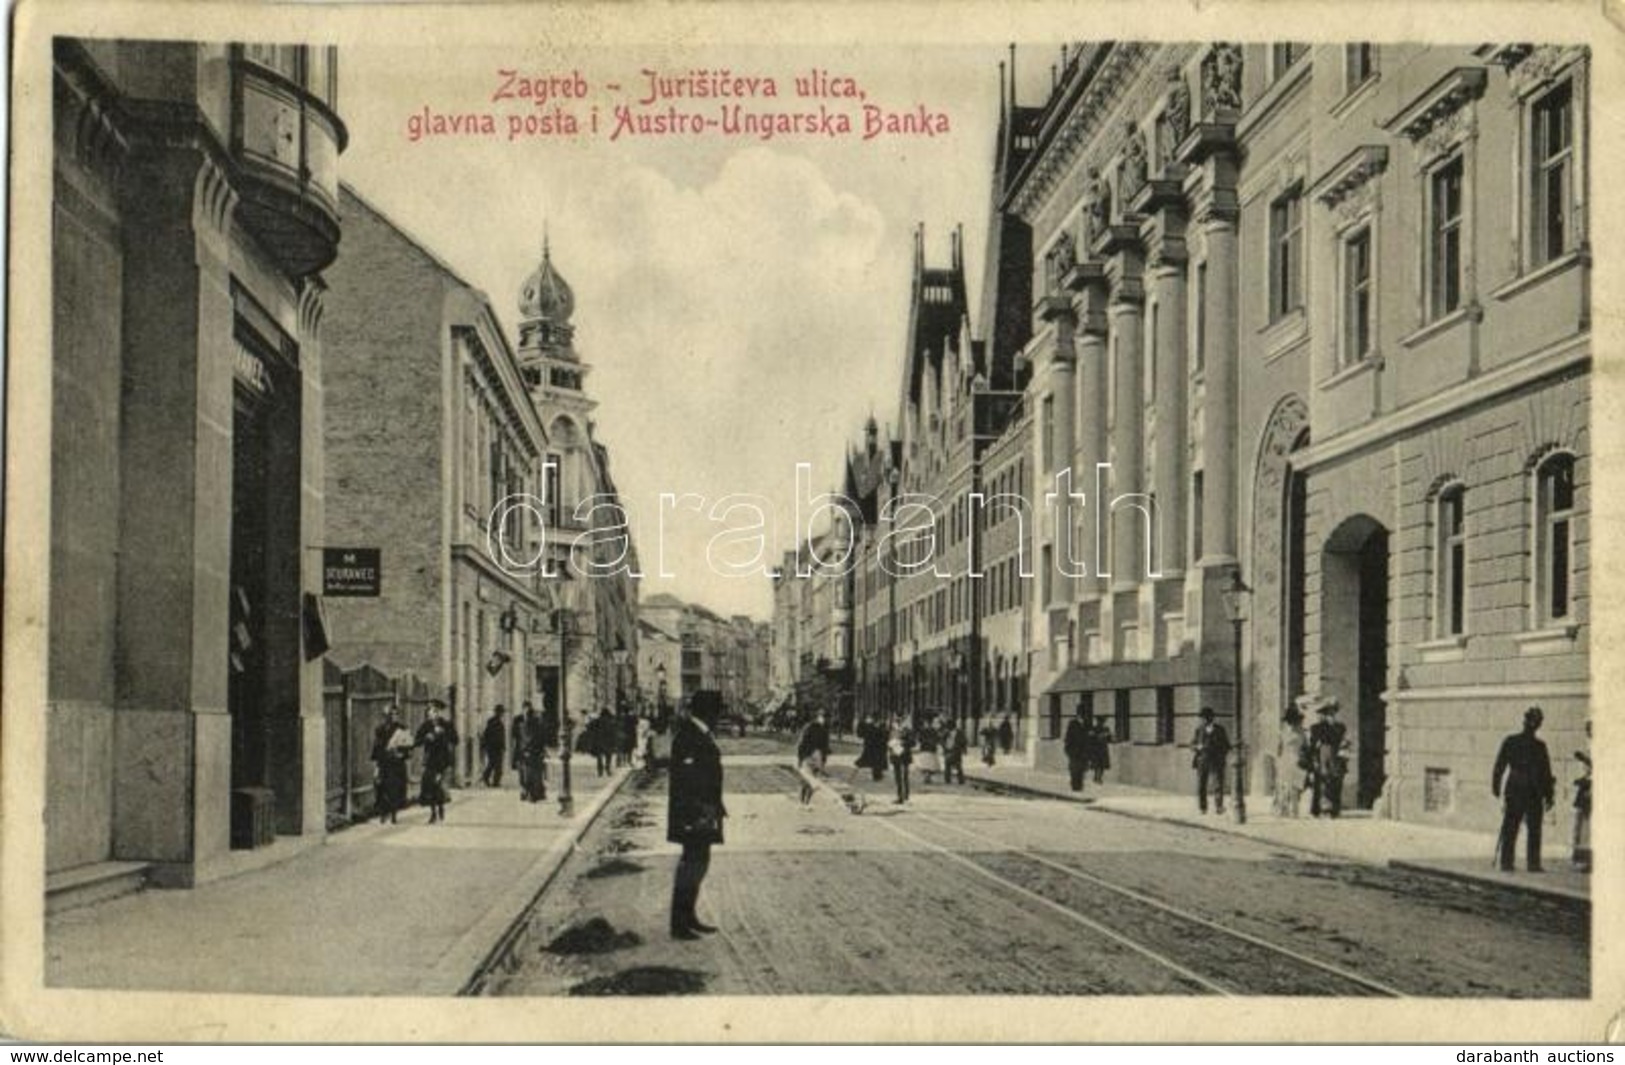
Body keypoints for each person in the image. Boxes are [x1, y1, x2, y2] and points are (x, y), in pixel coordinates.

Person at [668, 697, 726, 940]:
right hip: (693, 811)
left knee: (698, 863)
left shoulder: (698, 733)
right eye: (717, 713)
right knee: (691, 865)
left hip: (703, 810)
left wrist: (716, 805)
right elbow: (689, 777)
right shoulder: (689, 735)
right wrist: (700, 809)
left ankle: (688, 916)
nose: (719, 718)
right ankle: (679, 923)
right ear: (708, 713)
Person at [1492, 706, 1555, 873]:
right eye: (1533, 721)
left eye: (1536, 722)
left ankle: (1525, 863)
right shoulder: (1516, 742)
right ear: (1526, 722)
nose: (1533, 725)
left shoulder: (1535, 745)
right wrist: (1496, 786)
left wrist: (1549, 795)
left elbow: (1546, 772)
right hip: (1522, 789)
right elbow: (1500, 765)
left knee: (1528, 827)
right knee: (1515, 826)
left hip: (1525, 789)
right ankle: (1514, 863)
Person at [415, 700, 458, 823]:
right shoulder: (426, 726)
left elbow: (455, 740)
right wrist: (426, 737)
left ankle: (440, 807)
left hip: (443, 759)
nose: (432, 713)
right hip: (430, 759)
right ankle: (433, 812)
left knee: (438, 785)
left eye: (435, 711)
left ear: (439, 712)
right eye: (430, 711)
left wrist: (444, 734)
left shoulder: (446, 724)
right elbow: (417, 740)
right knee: (430, 785)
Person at [1307, 698, 1349, 818]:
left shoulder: (1340, 727)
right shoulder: (1316, 728)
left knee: (1336, 782)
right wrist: (1314, 760)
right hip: (1322, 757)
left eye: (1333, 712)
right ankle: (1318, 809)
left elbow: (1344, 741)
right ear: (1323, 715)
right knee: (1321, 783)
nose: (1331, 715)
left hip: (1337, 757)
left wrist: (1344, 753)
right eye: (1328, 713)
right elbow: (1313, 745)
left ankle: (1334, 809)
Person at [371, 705, 411, 824]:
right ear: (386, 716)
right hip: (384, 763)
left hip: (397, 763)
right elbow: (377, 748)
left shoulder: (402, 728)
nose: (394, 717)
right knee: (382, 788)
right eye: (391, 714)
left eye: (396, 714)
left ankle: (394, 814)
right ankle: (383, 814)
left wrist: (403, 754)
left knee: (395, 789)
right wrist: (376, 766)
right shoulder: (380, 729)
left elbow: (407, 746)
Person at [1190, 706, 1231, 815]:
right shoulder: (1199, 730)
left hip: (1216, 761)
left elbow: (1227, 746)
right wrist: (1197, 747)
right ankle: (1203, 807)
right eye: (1203, 718)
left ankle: (1219, 806)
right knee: (1201, 785)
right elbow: (1192, 744)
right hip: (1203, 760)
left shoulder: (1220, 730)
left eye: (1206, 717)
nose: (1204, 720)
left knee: (1218, 784)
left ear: (1211, 718)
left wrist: (1220, 755)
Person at [1274, 703, 1311, 818]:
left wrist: (1278, 761)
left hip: (1290, 760)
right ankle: (1292, 810)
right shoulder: (1300, 733)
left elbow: (1278, 749)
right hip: (1293, 760)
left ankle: (1285, 809)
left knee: (1288, 786)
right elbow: (1306, 746)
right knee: (1292, 787)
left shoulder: (1284, 732)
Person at [796, 710, 831, 805]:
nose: (825, 720)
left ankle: (806, 802)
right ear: (818, 717)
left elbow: (825, 747)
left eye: (827, 718)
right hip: (807, 756)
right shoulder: (809, 727)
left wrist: (823, 761)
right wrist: (800, 758)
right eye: (823, 717)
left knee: (813, 781)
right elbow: (801, 743)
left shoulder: (825, 730)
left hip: (817, 757)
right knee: (805, 780)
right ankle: (801, 801)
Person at [520, 702, 549, 802]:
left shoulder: (524, 725)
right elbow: (542, 738)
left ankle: (530, 794)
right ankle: (534, 794)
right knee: (536, 774)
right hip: (535, 752)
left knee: (528, 774)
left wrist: (525, 750)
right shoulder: (538, 725)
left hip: (529, 752)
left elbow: (525, 739)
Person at [1573, 720, 1592, 872]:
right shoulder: (1589, 746)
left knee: (1588, 824)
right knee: (1580, 821)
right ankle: (1579, 857)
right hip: (1585, 787)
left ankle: (1587, 860)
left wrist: (1586, 760)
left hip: (1593, 787)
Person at [887, 715, 915, 805]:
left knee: (904, 777)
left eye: (899, 721)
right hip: (895, 756)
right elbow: (889, 742)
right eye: (896, 721)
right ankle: (899, 797)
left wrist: (902, 742)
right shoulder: (892, 731)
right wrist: (890, 746)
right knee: (897, 778)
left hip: (904, 757)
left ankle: (906, 797)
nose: (896, 723)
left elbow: (913, 742)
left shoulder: (907, 731)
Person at [1063, 705, 1092, 793]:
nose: (1083, 715)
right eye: (1082, 713)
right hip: (1074, 753)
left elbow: (1088, 738)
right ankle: (1075, 787)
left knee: (1082, 770)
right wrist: (1069, 751)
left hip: (1083, 753)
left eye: (1084, 713)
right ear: (1078, 713)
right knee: (1075, 771)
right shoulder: (1072, 723)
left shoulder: (1087, 724)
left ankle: (1079, 787)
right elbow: (1068, 738)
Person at [854, 715, 888, 783]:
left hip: (878, 747)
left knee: (877, 761)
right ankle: (877, 775)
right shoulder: (871, 727)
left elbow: (884, 736)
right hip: (875, 747)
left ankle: (877, 775)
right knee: (876, 761)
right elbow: (864, 735)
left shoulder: (876, 726)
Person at [480, 705, 507, 787]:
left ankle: (492, 780)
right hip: (494, 747)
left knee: (494, 764)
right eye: (501, 712)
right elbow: (490, 734)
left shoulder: (495, 722)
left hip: (494, 747)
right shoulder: (495, 722)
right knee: (495, 764)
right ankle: (490, 779)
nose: (502, 714)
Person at [915, 716, 942, 785]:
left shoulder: (923, 731)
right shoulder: (933, 731)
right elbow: (937, 739)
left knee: (926, 764)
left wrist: (925, 741)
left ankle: (927, 776)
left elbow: (920, 739)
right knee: (930, 765)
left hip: (925, 748)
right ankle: (928, 776)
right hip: (930, 749)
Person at [942, 717, 968, 785]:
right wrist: (944, 747)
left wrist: (964, 749)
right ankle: (947, 779)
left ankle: (961, 780)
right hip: (948, 750)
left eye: (949, 726)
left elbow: (964, 741)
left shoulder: (959, 732)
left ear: (952, 726)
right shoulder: (946, 733)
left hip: (956, 750)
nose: (948, 728)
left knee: (958, 765)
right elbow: (942, 740)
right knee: (947, 765)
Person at [1088, 715, 1113, 784]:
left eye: (1102, 721)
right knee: (1097, 764)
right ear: (1098, 721)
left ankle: (1099, 778)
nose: (1101, 723)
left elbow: (1109, 739)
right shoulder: (1094, 729)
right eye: (1100, 721)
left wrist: (1109, 736)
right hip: (1096, 749)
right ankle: (1096, 777)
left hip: (1103, 749)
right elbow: (1090, 738)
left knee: (1102, 764)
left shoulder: (1106, 729)